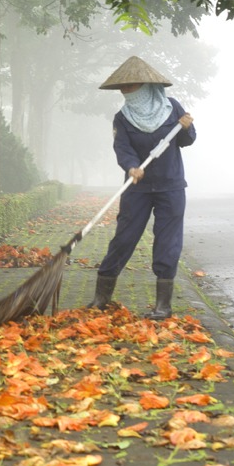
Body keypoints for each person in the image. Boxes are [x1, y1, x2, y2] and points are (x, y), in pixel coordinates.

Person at [86, 56, 196, 320]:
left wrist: (185, 127)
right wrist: (132, 166)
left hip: (170, 186)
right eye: (122, 87)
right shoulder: (122, 118)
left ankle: (163, 305)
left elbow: (188, 140)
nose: (125, 91)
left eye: (131, 86)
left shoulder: (172, 108)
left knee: (168, 242)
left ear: (145, 86)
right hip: (137, 187)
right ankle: (101, 297)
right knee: (124, 238)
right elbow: (122, 148)